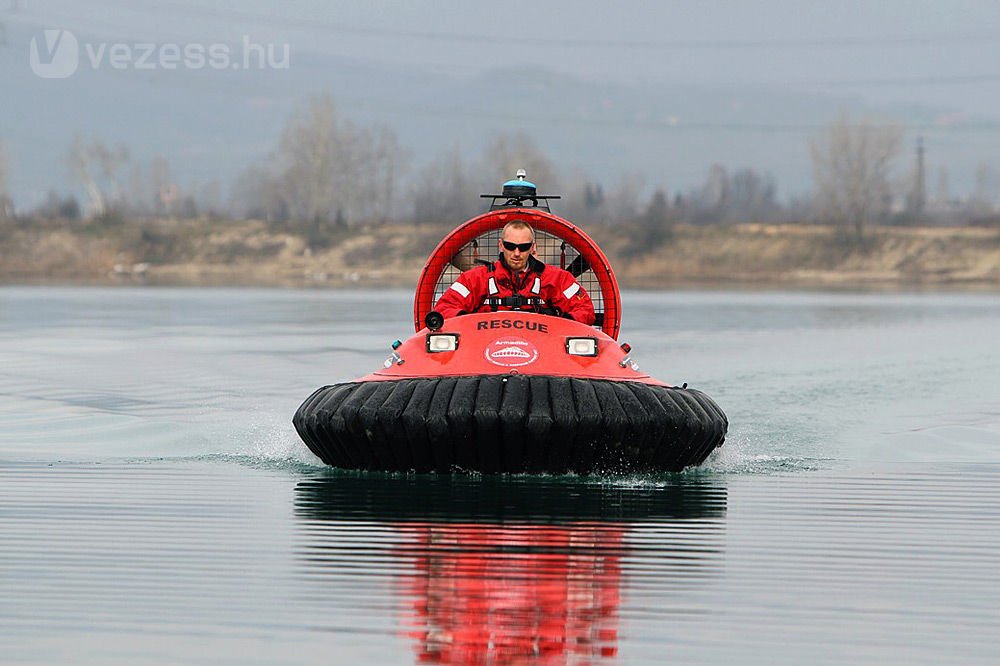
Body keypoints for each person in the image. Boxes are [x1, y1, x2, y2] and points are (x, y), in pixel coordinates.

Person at [434, 220, 596, 325]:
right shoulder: (474, 279)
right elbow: (444, 308)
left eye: (523, 247)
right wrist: (468, 322)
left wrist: (564, 325)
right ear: (501, 245)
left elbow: (584, 310)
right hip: (483, 349)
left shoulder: (558, 279)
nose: (517, 253)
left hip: (544, 349)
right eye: (510, 246)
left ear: (533, 247)